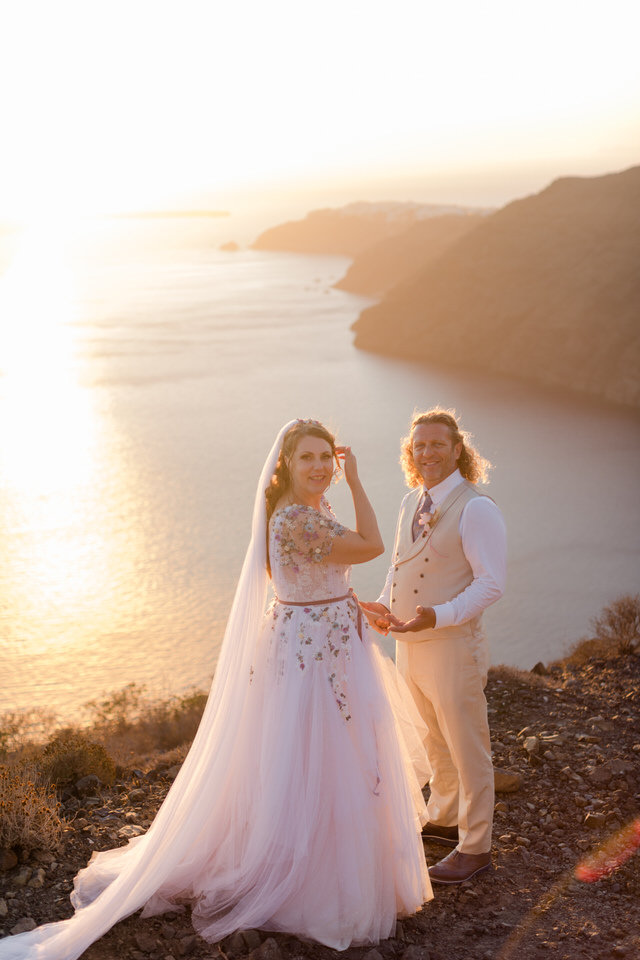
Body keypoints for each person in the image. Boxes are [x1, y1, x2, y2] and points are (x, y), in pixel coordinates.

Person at [0, 419, 432, 959]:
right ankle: (314, 884)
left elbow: (313, 577)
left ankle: (339, 867)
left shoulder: (306, 509)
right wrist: (358, 479)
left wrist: (347, 602)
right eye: (308, 457)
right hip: (314, 653)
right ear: (287, 464)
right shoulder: (296, 517)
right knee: (317, 759)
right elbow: (371, 546)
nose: (321, 466)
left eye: (327, 456)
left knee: (326, 757)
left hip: (322, 637)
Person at [361, 408, 507, 885]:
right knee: (432, 737)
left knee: (468, 747)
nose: (427, 452)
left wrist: (438, 616)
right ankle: (444, 817)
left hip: (452, 647)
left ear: (457, 449)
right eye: (419, 445)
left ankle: (476, 847)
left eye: (438, 444)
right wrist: (385, 606)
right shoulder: (411, 501)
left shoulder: (477, 508)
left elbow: (491, 583)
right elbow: (399, 566)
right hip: (410, 643)